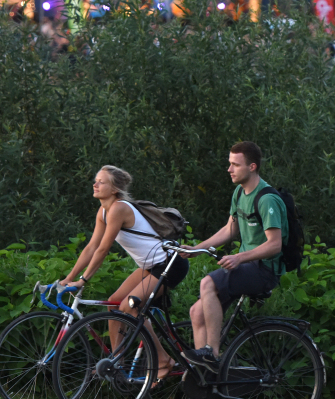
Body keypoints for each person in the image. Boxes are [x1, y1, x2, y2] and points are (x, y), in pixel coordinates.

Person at [55, 166, 188, 383]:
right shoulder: (104, 211)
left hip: (169, 264)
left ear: (115, 189)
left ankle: (163, 360)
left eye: (101, 182)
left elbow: (103, 249)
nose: (95, 184)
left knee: (129, 306)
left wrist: (84, 280)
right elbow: (91, 247)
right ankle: (116, 363)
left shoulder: (119, 209)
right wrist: (70, 277)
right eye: (95, 180)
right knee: (114, 304)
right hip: (150, 266)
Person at [184, 141, 288, 369]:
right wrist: (195, 249)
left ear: (252, 167)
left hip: (264, 270)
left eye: (234, 165)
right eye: (229, 164)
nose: (229, 169)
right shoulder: (240, 193)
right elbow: (230, 229)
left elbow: (275, 245)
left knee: (207, 283)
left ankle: (211, 353)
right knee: (197, 312)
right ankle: (204, 379)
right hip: (246, 268)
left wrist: (239, 257)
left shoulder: (267, 198)